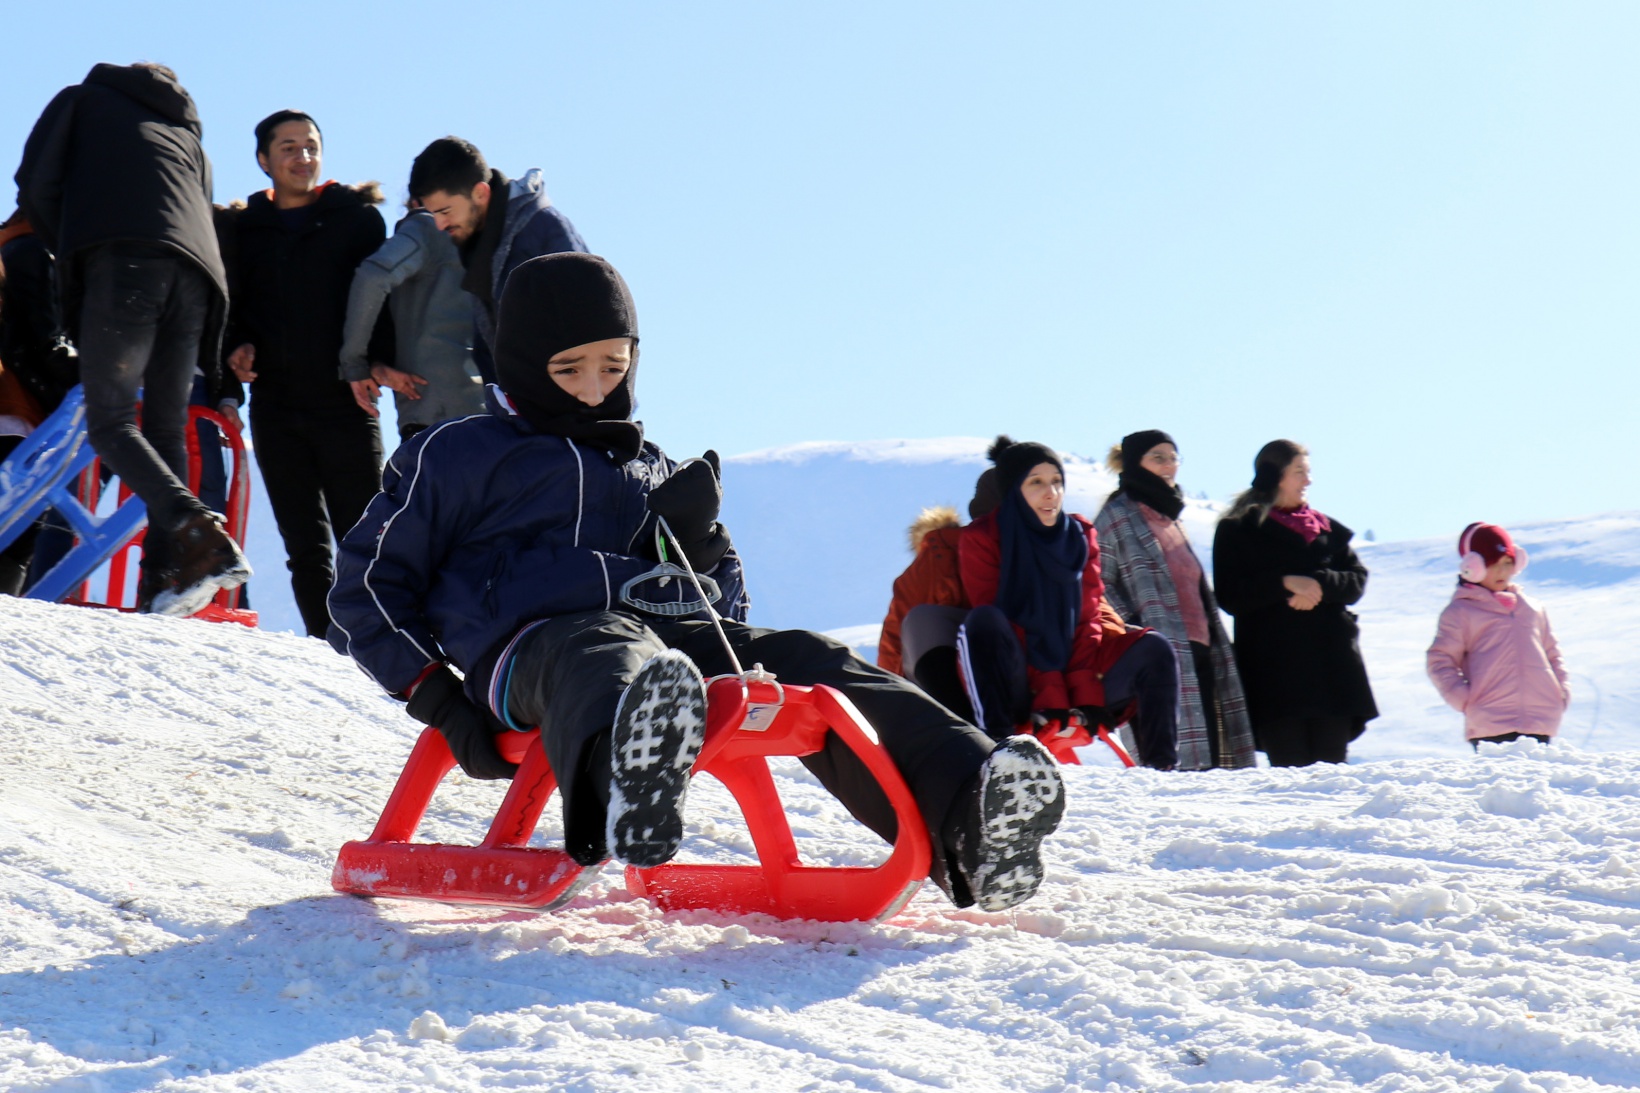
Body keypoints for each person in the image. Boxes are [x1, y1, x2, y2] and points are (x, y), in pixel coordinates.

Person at [327, 253, 1066, 913]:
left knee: (810, 660)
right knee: (606, 646)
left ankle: (971, 811)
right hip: (533, 651)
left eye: (613, 367)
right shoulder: (459, 455)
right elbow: (366, 589)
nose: (594, 390)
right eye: (569, 370)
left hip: (670, 648)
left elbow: (724, 613)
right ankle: (626, 789)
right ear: (522, 362)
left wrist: (702, 545)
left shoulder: (649, 466)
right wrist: (442, 700)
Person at [14, 62, 250, 615]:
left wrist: (71, 249)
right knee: (166, 428)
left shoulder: (82, 101)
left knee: (111, 421)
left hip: (124, 264)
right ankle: (165, 580)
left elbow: (35, 184)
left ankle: (198, 531)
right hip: (197, 279)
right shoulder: (188, 138)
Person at [224, 109, 387, 636]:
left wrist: (380, 360)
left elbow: (383, 302)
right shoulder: (243, 230)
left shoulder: (356, 221)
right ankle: (323, 650)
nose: (303, 156)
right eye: (289, 147)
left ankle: (381, 646)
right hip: (275, 406)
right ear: (263, 160)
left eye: (311, 145)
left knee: (366, 538)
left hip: (346, 403)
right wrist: (236, 345)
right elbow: (232, 307)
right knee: (304, 547)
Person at [958, 436, 1180, 769]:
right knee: (984, 622)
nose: (1051, 493)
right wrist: (1050, 695)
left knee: (1154, 647)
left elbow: (1087, 618)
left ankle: (1162, 767)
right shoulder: (982, 539)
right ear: (1013, 489)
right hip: (1019, 682)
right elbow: (1011, 625)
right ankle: (1000, 751)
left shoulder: (1078, 536)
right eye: (1036, 483)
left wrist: (1084, 695)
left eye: (1057, 482)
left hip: (1079, 677)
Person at [1094, 431, 1257, 770]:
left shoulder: (1172, 518)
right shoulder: (1116, 515)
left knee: (1211, 750)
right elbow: (1098, 582)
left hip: (1200, 645)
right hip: (1155, 651)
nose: (1168, 465)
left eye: (1173, 458)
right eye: (1158, 457)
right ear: (1134, 463)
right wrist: (1134, 628)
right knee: (1174, 754)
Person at [1213, 440, 1377, 766]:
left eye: (1308, 472)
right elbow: (1230, 595)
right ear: (1274, 475)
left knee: (1333, 773)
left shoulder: (1326, 529)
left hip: (1332, 669)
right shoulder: (1238, 529)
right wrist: (1284, 583)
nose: (1308, 480)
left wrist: (1317, 584)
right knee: (1290, 773)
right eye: (1299, 471)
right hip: (1274, 674)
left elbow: (1356, 581)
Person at [406, 137, 586, 386]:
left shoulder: (542, 228)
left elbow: (593, 323)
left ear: (480, 193)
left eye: (445, 211)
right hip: (527, 406)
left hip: (579, 402)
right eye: (433, 214)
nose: (439, 224)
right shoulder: (478, 251)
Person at [339, 199, 484, 441]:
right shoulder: (497, 237)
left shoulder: (426, 228)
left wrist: (354, 363)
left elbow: (373, 276)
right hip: (494, 410)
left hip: (436, 410)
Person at [1426, 523, 1569, 750]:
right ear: (1473, 568)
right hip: (1490, 723)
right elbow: (1440, 660)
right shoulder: (1461, 612)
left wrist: (1561, 693)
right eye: (1493, 565)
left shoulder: (1532, 608)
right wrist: (1464, 699)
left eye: (1507, 563)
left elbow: (1553, 655)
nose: (1502, 572)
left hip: (1540, 719)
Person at [877, 470, 1000, 722]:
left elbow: (894, 650)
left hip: (961, 699)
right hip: (958, 692)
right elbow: (897, 641)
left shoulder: (1059, 551)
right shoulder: (939, 558)